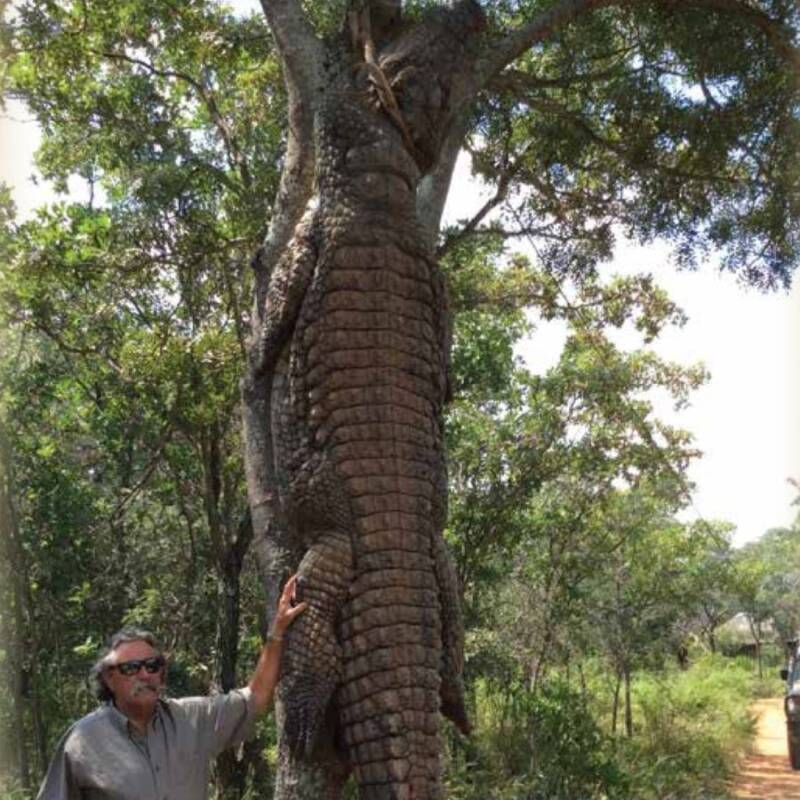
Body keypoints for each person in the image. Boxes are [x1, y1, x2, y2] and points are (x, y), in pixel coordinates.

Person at [36, 574, 307, 800]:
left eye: (152, 665)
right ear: (108, 678)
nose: (144, 674)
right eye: (131, 668)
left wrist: (277, 634)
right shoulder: (83, 740)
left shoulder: (191, 719)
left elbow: (255, 699)